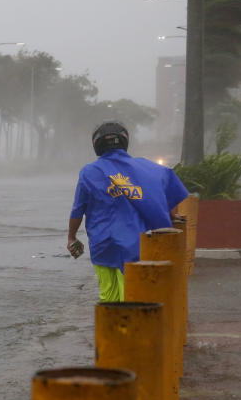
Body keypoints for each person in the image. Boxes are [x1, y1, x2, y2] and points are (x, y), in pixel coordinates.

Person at [67, 121, 189, 302]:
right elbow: (162, 191)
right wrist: (172, 216)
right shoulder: (145, 167)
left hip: (102, 244)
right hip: (134, 244)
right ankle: (130, 328)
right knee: (132, 295)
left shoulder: (89, 172)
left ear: (96, 145)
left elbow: (78, 209)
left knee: (108, 295)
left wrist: (72, 237)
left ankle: (112, 328)